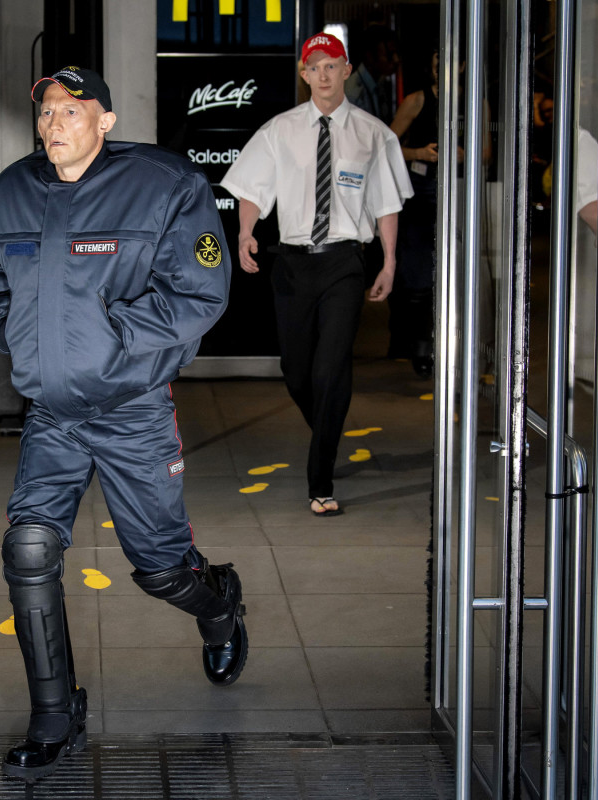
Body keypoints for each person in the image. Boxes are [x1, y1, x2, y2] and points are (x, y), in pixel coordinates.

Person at [0, 66, 245, 782]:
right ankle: (56, 717)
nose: (55, 123)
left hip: (133, 411)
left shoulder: (164, 186)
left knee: (158, 569)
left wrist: (114, 339)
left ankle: (219, 604)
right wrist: (22, 335)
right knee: (28, 550)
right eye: (47, 111)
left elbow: (202, 289)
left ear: (106, 121)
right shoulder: (6, 195)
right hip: (53, 415)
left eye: (72, 109)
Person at [222, 34, 413, 518]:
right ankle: (328, 429)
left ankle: (321, 479)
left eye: (333, 65)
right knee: (297, 370)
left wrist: (389, 262)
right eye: (315, 67)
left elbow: (387, 204)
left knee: (332, 369)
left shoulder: (373, 133)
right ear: (304, 74)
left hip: (345, 261)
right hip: (292, 261)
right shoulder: (279, 130)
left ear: (346, 70)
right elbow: (251, 188)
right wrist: (245, 231)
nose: (324, 74)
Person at [387, 49, 441, 377]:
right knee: (419, 275)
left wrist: (465, 154)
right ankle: (419, 347)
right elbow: (387, 145)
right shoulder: (418, 100)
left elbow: (488, 155)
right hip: (421, 190)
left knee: (451, 274)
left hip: (459, 192)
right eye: (438, 62)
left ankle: (440, 344)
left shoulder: (474, 100)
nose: (443, 68)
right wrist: (419, 152)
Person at [345, 26, 400, 123]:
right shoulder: (353, 93)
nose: (396, 60)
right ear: (370, 56)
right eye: (389, 55)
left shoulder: (380, 84)